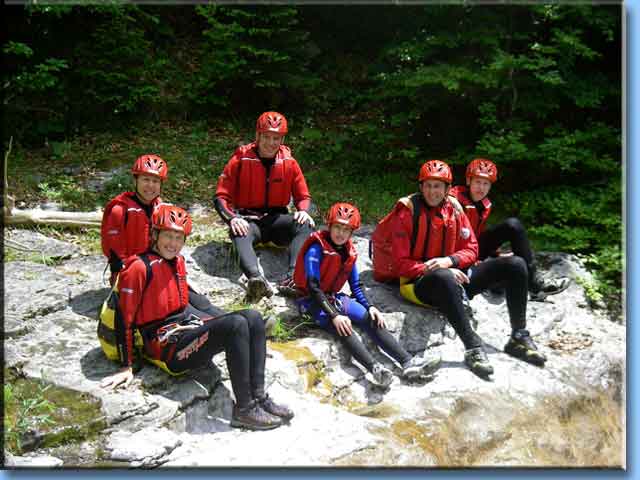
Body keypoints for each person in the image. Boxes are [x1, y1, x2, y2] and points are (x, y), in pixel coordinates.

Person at [100, 204, 293, 431]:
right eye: (167, 236)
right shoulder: (138, 268)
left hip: (183, 330)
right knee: (236, 324)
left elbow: (189, 303)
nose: (172, 243)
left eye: (178, 238)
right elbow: (124, 317)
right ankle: (244, 409)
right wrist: (125, 367)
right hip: (165, 349)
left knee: (251, 316)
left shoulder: (177, 262)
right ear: (155, 235)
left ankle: (260, 398)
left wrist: (219, 324)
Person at [392, 160, 547, 378]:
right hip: (417, 283)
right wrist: (437, 267)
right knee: (444, 277)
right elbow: (399, 264)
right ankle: (473, 347)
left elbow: (472, 248)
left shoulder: (455, 210)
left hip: (453, 274)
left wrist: (451, 261)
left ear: (447, 189)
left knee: (515, 265)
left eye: (438, 186)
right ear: (421, 187)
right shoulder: (407, 214)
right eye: (427, 185)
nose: (432, 191)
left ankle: (518, 336)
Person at [293, 202, 441, 388]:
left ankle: (408, 362)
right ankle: (375, 370)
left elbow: (356, 285)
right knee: (342, 327)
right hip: (310, 301)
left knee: (371, 319)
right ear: (329, 226)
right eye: (337, 227)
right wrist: (335, 315)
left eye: (346, 229)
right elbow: (313, 287)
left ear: (352, 232)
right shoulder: (316, 248)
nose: (340, 233)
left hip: (332, 297)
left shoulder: (348, 251)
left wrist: (371, 307)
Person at [214, 111, 315, 302]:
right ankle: (255, 279)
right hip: (249, 221)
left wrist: (303, 211)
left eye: (276, 138)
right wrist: (232, 218)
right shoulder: (240, 159)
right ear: (257, 136)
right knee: (238, 231)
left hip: (277, 221)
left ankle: (293, 278)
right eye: (266, 137)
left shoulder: (289, 163)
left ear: (282, 139)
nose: (271, 143)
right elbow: (221, 197)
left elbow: (303, 196)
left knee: (306, 224)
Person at [450, 158, 570, 301]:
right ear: (469, 181)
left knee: (513, 225)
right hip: (454, 255)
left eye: (485, 184)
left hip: (472, 249)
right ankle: (530, 287)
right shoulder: (453, 198)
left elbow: (476, 237)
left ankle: (535, 286)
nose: (481, 188)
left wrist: (495, 255)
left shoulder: (484, 205)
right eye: (477, 182)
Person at [101, 154, 167, 285]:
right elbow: (113, 250)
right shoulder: (120, 210)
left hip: (155, 267)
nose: (150, 185)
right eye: (145, 180)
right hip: (129, 273)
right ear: (135, 181)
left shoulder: (160, 208)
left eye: (155, 181)